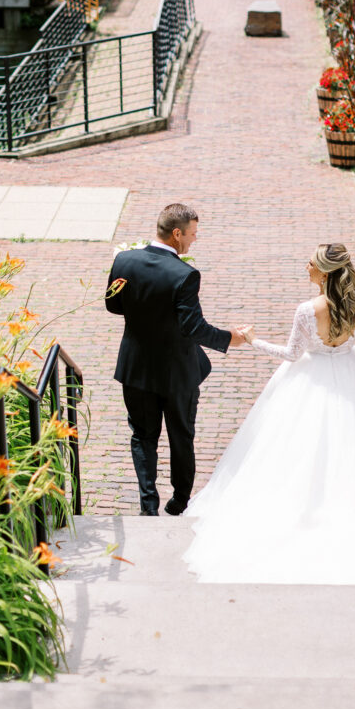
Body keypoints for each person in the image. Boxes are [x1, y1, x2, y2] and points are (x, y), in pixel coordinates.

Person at [182, 244, 355, 585]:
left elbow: (290, 354)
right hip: (349, 379)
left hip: (306, 379)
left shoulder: (307, 310)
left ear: (326, 272)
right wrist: (343, 351)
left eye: (312, 263)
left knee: (291, 448)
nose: (307, 266)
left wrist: (253, 340)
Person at [106, 203, 245, 516]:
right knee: (181, 435)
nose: (194, 240)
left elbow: (113, 306)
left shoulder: (124, 260)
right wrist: (229, 338)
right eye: (192, 234)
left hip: (136, 368)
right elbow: (193, 327)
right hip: (177, 372)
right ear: (177, 233)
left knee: (143, 436)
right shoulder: (184, 274)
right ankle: (179, 501)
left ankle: (148, 504)